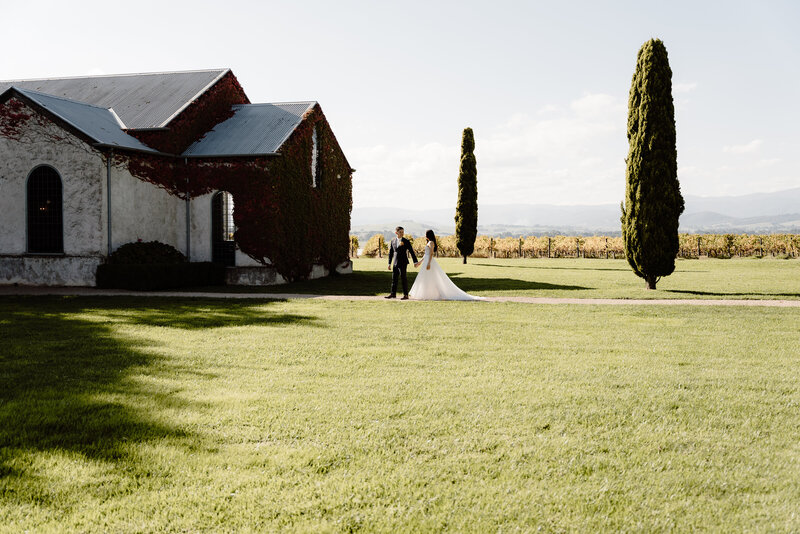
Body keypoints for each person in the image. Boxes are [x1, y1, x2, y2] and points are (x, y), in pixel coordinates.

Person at [409, 230, 483, 301]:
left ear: (428, 235)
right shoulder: (429, 242)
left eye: (426, 234)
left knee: (430, 277)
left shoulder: (431, 242)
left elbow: (431, 254)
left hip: (429, 261)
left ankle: (433, 294)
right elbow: (426, 254)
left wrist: (428, 263)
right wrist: (419, 262)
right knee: (426, 277)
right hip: (426, 261)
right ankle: (427, 294)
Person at [386, 226, 418, 300]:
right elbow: (391, 253)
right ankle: (393, 294)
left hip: (403, 262)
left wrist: (415, 261)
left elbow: (411, 251)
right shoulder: (393, 241)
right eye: (400, 232)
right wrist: (389, 263)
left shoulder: (406, 241)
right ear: (396, 232)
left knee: (404, 278)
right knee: (394, 279)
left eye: (403, 232)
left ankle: (406, 295)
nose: (402, 233)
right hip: (395, 262)